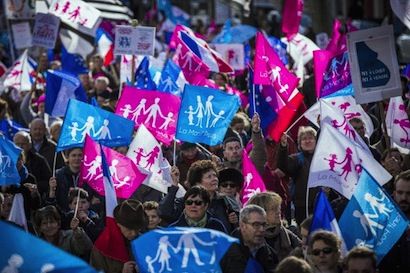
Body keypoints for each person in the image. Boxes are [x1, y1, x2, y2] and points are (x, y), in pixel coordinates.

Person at [159, 161, 240, 233]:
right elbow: (164, 212)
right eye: (209, 177)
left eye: (215, 175)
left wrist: (235, 221)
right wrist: (174, 186)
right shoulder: (187, 201)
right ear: (197, 183)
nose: (214, 179)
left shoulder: (225, 200)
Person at [90, 199, 148, 273]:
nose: (133, 233)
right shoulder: (102, 246)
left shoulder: (144, 242)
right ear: (119, 225)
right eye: (129, 229)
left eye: (137, 229)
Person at [277, 126, 320, 224]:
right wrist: (283, 147)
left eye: (310, 138)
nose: (307, 141)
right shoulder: (296, 159)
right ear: (300, 143)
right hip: (302, 205)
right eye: (304, 139)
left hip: (320, 203)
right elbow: (284, 167)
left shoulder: (323, 158)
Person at [248, 192, 301, 261]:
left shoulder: (288, 232)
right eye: (273, 209)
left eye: (278, 208)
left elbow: (303, 249)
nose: (278, 212)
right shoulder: (252, 238)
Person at [225, 205, 279, 272]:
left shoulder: (270, 253)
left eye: (264, 225)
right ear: (242, 226)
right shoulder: (226, 253)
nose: (262, 229)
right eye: (256, 225)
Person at [378, 170, 410, 273]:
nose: (404, 198)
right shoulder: (379, 216)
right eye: (400, 192)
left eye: (409, 193)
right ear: (394, 193)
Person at [13, 131, 51, 197]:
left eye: (23, 144)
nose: (20, 147)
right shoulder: (7, 160)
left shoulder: (40, 160)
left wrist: (34, 186)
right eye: (17, 144)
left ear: (30, 144)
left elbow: (47, 181)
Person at [44, 148, 84, 212]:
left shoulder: (89, 174)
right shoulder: (58, 175)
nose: (77, 158)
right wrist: (52, 190)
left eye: (80, 155)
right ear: (67, 157)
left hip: (86, 214)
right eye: (74, 155)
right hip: (63, 214)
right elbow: (50, 201)